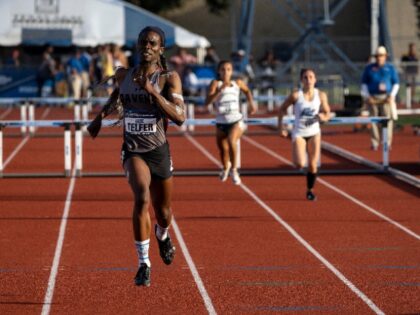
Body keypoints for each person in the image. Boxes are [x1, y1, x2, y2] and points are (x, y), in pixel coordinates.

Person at [87, 26, 186, 287]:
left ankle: (162, 236)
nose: (147, 47)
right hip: (133, 150)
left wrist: (153, 93)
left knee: (163, 212)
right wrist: (98, 118)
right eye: (143, 42)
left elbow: (180, 117)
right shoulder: (123, 75)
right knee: (142, 197)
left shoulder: (168, 78)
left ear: (160, 49)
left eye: (153, 43)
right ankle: (144, 263)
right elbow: (116, 97)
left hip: (158, 151)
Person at [278, 68, 331, 201]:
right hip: (299, 133)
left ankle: (310, 190)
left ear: (315, 79)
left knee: (313, 165)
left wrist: (323, 117)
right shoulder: (296, 95)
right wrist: (281, 127)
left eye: (311, 77)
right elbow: (282, 109)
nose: (308, 80)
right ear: (301, 80)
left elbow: (327, 113)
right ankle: (297, 154)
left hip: (314, 133)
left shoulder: (321, 95)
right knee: (300, 164)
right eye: (305, 78)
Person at [205, 60, 257, 185]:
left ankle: (234, 170)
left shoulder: (237, 83)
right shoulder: (215, 84)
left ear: (232, 71)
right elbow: (207, 102)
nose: (226, 72)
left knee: (232, 141)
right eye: (223, 69)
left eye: (228, 69)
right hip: (221, 122)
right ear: (219, 71)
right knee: (223, 150)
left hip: (236, 120)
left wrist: (252, 104)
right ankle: (225, 167)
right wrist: (218, 91)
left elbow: (248, 91)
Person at [361, 46, 400, 150]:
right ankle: (375, 142)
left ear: (385, 56)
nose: (379, 58)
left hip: (386, 98)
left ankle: (387, 143)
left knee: (387, 120)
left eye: (381, 56)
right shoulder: (369, 68)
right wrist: (368, 96)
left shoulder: (390, 68)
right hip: (373, 97)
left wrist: (391, 96)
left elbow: (396, 83)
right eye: (378, 56)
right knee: (373, 120)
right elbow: (364, 84)